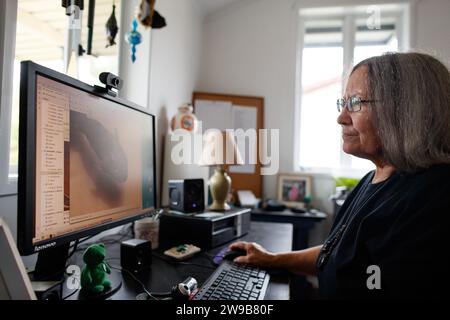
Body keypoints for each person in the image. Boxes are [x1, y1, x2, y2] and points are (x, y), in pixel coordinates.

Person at [230, 52, 450, 299]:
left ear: (407, 110)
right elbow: (338, 254)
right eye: (342, 103)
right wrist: (272, 259)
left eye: (355, 103)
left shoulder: (436, 197)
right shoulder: (372, 179)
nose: (341, 118)